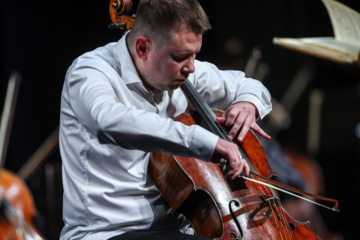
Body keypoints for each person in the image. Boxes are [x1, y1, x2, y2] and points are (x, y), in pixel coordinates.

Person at [59, 0, 272, 239]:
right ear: (142, 48)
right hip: (108, 232)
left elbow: (249, 85)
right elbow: (107, 120)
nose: (191, 68)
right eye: (181, 57)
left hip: (175, 232)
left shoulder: (185, 71)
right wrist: (207, 143)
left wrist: (248, 103)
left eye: (194, 55)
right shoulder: (90, 72)